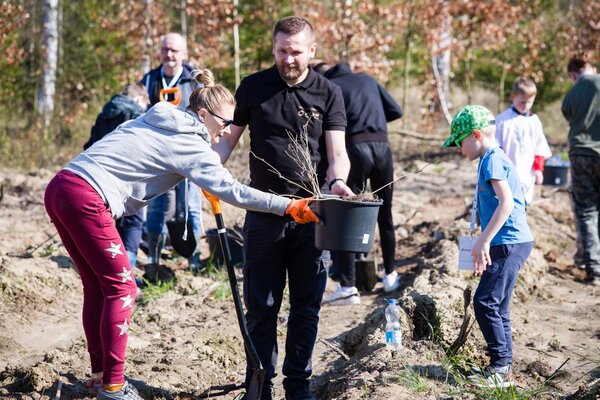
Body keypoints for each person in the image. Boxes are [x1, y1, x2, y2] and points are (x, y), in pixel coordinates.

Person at [44, 69, 318, 400]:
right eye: (224, 123)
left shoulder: (159, 117)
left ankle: (101, 375)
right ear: (203, 114)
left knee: (98, 286)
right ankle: (114, 386)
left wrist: (206, 177)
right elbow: (234, 191)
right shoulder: (190, 143)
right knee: (123, 288)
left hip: (62, 185)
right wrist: (288, 206)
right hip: (88, 197)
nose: (228, 132)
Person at [213, 16, 352, 400]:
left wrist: (338, 181)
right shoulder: (253, 87)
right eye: (281, 51)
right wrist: (207, 168)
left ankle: (298, 386)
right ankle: (258, 386)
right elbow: (228, 143)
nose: (288, 59)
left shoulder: (328, 93)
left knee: (306, 306)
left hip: (312, 214)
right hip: (264, 212)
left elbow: (337, 153)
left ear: (312, 51)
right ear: (273, 49)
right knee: (262, 306)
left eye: (295, 52)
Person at [443, 105, 533, 388]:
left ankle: (500, 367)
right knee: (498, 305)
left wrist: (483, 240)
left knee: (484, 302)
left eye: (460, 142)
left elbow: (506, 203)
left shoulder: (492, 159)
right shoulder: (491, 158)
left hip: (507, 242)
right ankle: (502, 366)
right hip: (510, 241)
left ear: (476, 135)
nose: (460, 150)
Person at [313, 61, 402, 305]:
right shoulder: (368, 80)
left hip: (354, 148)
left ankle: (348, 286)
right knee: (385, 214)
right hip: (383, 148)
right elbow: (396, 111)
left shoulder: (330, 86)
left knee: (346, 215)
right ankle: (391, 275)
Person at [140, 32, 204, 269]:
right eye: (166, 50)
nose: (169, 55)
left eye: (174, 50)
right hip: (157, 157)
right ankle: (153, 256)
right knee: (156, 206)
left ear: (184, 54)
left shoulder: (194, 79)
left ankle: (193, 256)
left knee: (190, 206)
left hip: (189, 155)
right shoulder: (149, 80)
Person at [84, 83, 150, 269]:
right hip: (128, 179)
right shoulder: (136, 116)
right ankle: (125, 271)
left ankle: (109, 267)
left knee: (111, 223)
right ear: (139, 99)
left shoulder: (103, 115)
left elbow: (90, 146)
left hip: (99, 179)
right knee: (133, 222)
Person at [562, 51, 600, 285]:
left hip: (581, 154)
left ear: (573, 74)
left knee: (586, 210)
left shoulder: (572, 93)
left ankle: (594, 268)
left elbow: (569, 116)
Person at [495, 77, 552, 204]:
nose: (525, 106)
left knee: (522, 206)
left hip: (527, 175)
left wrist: (538, 169)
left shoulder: (534, 121)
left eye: (529, 102)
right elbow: (496, 148)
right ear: (512, 97)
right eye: (522, 102)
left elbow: (539, 147)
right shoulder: (502, 120)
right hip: (506, 174)